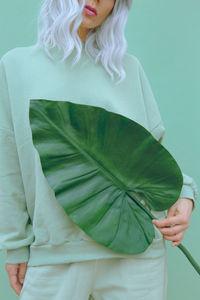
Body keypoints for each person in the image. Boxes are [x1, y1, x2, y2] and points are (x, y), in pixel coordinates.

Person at [0, 0, 198, 299]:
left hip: (136, 258)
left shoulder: (128, 70)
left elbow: (150, 154)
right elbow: (8, 163)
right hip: (56, 255)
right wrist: (14, 244)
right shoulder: (15, 67)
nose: (95, 1)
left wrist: (185, 196)